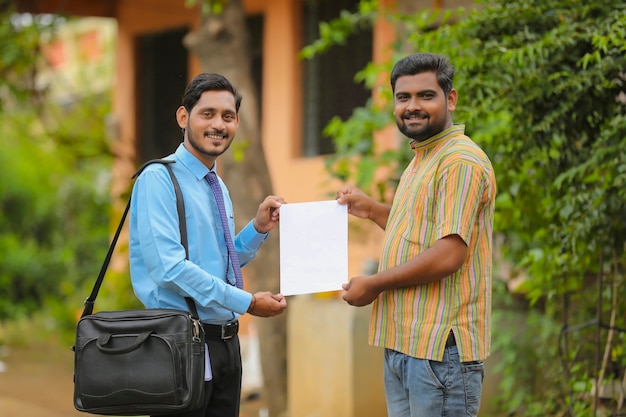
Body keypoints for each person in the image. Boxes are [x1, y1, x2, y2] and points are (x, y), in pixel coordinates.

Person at [336, 52, 496, 416]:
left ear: (450, 99)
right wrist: (373, 210)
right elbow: (424, 235)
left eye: (426, 95)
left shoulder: (459, 162)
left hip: (440, 352)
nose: (412, 106)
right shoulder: (423, 158)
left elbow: (448, 253)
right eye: (403, 97)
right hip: (406, 345)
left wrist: (375, 284)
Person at [129, 73, 287, 417]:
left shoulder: (216, 184)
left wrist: (258, 228)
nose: (219, 124)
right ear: (184, 117)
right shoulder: (159, 178)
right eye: (208, 114)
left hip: (224, 345)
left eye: (227, 116)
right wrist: (247, 302)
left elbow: (221, 261)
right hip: (181, 343)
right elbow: (169, 268)